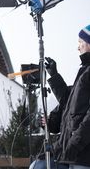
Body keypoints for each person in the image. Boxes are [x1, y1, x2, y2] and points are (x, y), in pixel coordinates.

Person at [42, 24, 90, 169]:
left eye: (80, 42)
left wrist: (74, 143)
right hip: (70, 151)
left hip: (82, 154)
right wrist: (54, 75)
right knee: (38, 165)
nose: (78, 47)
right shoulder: (84, 70)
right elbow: (69, 100)